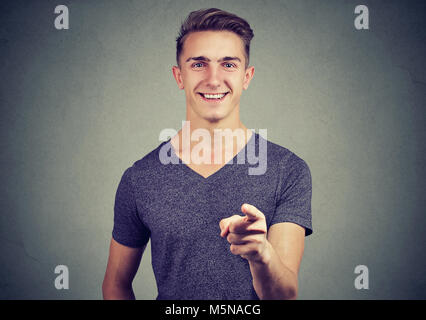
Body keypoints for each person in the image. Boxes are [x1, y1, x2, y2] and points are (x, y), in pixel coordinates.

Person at [102, 8, 313, 300]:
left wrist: (261, 254)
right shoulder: (139, 178)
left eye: (228, 64)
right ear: (179, 76)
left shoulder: (287, 170)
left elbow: (285, 296)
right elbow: (115, 285)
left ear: (246, 76)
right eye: (199, 64)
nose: (214, 79)